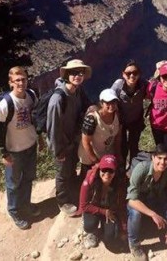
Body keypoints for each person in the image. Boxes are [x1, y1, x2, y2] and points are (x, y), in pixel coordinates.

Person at [0, 66, 41, 230]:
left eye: (24, 79)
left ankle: (26, 205)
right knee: (13, 183)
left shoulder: (31, 96)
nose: (21, 83)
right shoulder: (4, 105)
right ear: (10, 82)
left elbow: (36, 120)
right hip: (14, 150)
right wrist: (3, 153)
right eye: (17, 80)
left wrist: (39, 138)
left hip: (30, 145)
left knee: (28, 178)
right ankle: (14, 211)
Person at [47, 59, 92, 216]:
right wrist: (58, 150)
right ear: (66, 74)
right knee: (62, 172)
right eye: (73, 72)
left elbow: (88, 105)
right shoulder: (58, 99)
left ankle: (71, 190)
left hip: (73, 140)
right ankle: (63, 201)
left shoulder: (78, 91)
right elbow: (52, 128)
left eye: (81, 72)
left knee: (71, 168)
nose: (78, 75)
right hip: (62, 144)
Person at [126, 144, 167, 261]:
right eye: (159, 158)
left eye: (165, 159)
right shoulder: (141, 169)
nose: (162, 162)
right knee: (135, 214)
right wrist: (153, 214)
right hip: (138, 203)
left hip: (155, 201)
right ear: (153, 158)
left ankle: (166, 232)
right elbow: (131, 200)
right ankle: (134, 245)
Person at [79, 154, 127, 249]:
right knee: (89, 225)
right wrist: (104, 212)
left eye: (111, 170)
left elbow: (121, 206)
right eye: (104, 170)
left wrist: (124, 228)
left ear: (115, 171)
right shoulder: (89, 181)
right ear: (99, 169)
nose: (107, 174)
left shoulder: (120, 183)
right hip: (94, 208)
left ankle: (102, 230)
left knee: (110, 237)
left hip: (111, 210)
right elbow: (83, 205)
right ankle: (94, 232)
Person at [78, 88, 122, 182]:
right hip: (90, 158)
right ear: (101, 103)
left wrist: (118, 154)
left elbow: (118, 136)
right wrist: (95, 161)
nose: (111, 105)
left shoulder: (117, 115)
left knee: (105, 182)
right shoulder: (92, 118)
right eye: (108, 103)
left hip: (106, 157)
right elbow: (85, 141)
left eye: (114, 102)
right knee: (88, 183)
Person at [111, 60, 148, 168]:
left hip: (136, 120)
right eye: (128, 73)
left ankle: (133, 170)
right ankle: (121, 169)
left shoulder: (144, 84)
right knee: (122, 146)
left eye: (135, 73)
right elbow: (109, 97)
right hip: (121, 120)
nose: (132, 75)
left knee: (134, 146)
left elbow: (155, 87)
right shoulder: (118, 85)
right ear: (123, 74)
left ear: (139, 74)